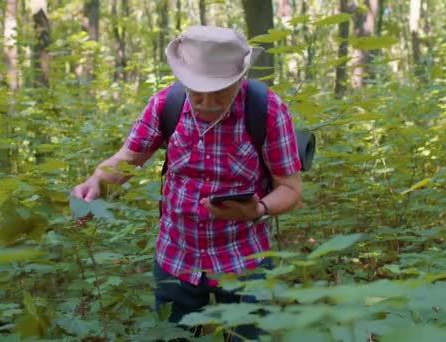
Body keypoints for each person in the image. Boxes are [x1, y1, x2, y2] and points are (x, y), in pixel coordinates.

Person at [71, 25, 303, 340]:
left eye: (219, 92)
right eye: (197, 92)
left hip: (243, 258)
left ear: (239, 79)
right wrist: (97, 182)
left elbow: (290, 189)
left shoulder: (267, 110)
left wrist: (258, 209)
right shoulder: (166, 104)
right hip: (176, 257)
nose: (207, 103)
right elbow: (129, 158)